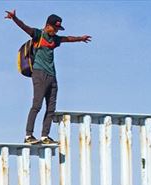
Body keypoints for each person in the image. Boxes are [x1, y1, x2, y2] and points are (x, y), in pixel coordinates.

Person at [5, 10, 91, 145]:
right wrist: (14, 18)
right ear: (48, 25)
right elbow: (24, 27)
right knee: (37, 105)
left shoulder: (55, 39)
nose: (56, 31)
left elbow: (67, 38)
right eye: (55, 28)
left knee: (51, 108)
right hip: (39, 74)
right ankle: (28, 135)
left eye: (58, 29)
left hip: (52, 76)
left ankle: (45, 135)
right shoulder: (38, 35)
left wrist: (81, 38)